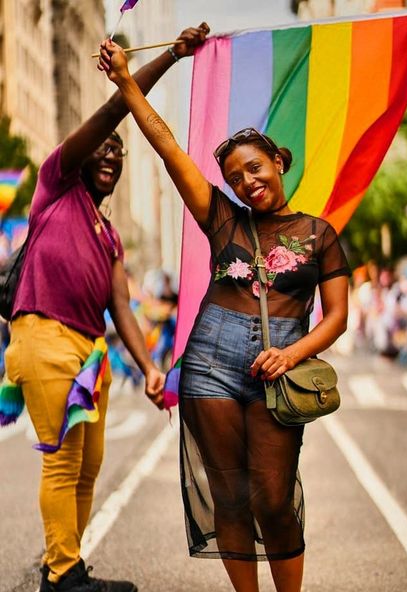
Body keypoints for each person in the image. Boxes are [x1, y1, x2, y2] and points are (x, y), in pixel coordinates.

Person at [99, 38, 350, 592]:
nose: (247, 182)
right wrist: (126, 82)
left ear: (279, 161)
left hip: (278, 365)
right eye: (235, 177)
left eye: (255, 168)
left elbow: (336, 318)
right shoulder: (222, 219)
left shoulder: (319, 235)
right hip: (210, 360)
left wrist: (291, 353)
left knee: (273, 496)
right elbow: (167, 147)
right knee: (230, 494)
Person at [3, 24, 209, 592]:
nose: (112, 153)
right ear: (83, 151)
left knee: (89, 466)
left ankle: (66, 564)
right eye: (105, 145)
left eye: (118, 151)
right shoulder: (55, 184)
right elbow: (117, 107)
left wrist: (148, 367)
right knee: (63, 462)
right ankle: (63, 577)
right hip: (44, 337)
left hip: (89, 350)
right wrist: (170, 54)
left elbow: (121, 305)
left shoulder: (108, 233)